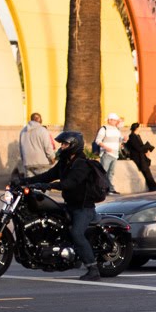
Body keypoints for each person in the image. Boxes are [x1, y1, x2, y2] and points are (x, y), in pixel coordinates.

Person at [23, 132, 102, 281]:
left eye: (64, 144)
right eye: (61, 144)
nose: (62, 147)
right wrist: (24, 181)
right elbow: (47, 175)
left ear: (73, 145)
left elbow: (69, 184)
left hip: (83, 208)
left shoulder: (82, 164)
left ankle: (93, 269)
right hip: (70, 205)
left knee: (77, 233)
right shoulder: (65, 162)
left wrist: (49, 186)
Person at [125, 123, 156, 191]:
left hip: (141, 156)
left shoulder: (137, 136)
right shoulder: (132, 136)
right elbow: (137, 148)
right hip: (137, 157)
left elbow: (141, 146)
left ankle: (153, 185)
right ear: (136, 128)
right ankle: (152, 186)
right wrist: (146, 148)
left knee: (147, 171)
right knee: (146, 171)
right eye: (139, 127)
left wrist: (146, 150)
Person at [19, 112, 56, 177]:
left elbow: (21, 148)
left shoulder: (23, 131)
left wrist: (24, 160)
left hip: (28, 163)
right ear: (39, 119)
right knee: (43, 183)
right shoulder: (43, 130)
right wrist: (52, 158)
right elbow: (47, 147)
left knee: (30, 184)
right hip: (42, 163)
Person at [94, 113, 123, 194]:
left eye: (116, 120)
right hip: (106, 154)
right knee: (103, 172)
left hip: (115, 154)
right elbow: (98, 140)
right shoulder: (104, 129)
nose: (115, 122)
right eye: (114, 120)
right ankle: (101, 189)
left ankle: (110, 189)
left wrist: (124, 139)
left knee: (111, 173)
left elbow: (120, 139)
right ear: (109, 120)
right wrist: (106, 147)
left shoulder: (117, 130)